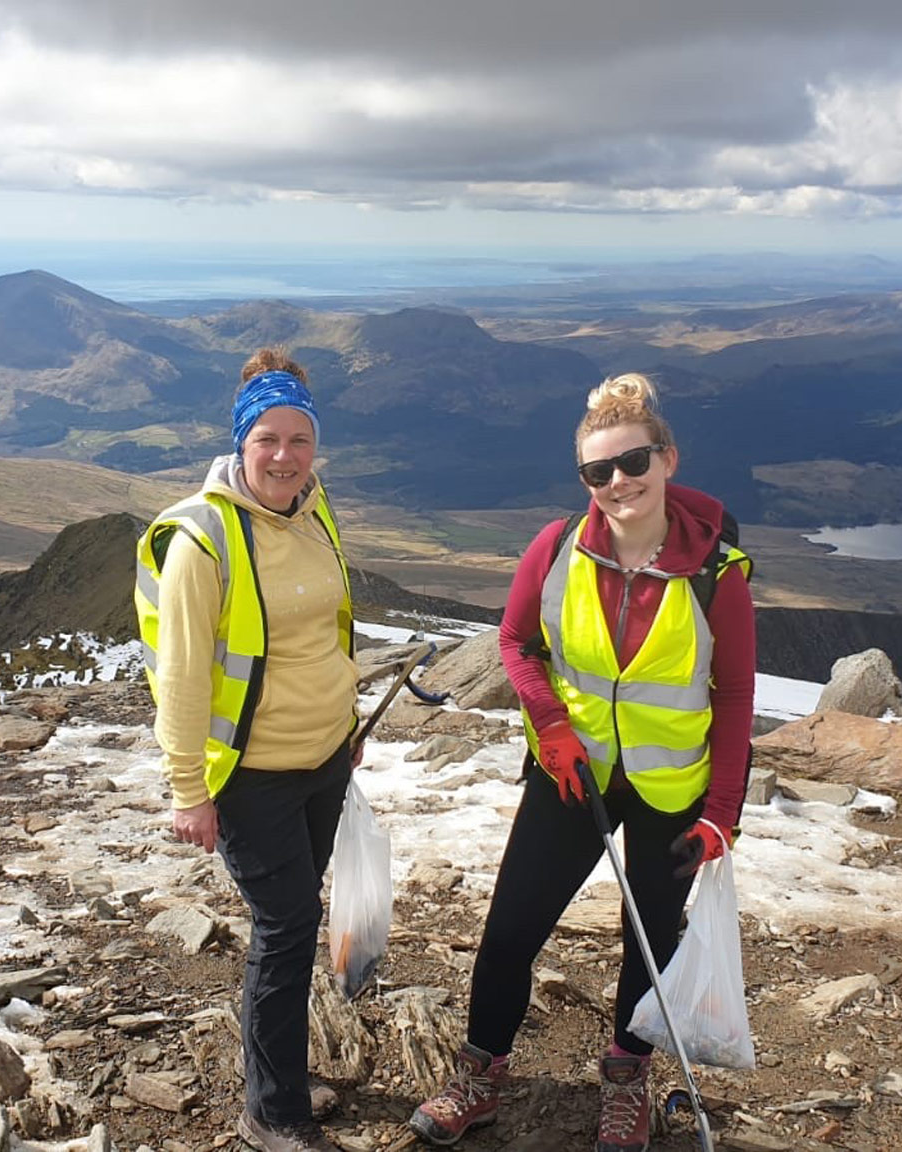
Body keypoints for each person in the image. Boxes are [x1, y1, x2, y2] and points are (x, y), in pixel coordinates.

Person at [408, 373, 756, 1152]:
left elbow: (734, 696)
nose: (617, 483)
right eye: (598, 472)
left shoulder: (716, 574)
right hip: (572, 775)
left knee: (649, 938)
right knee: (509, 933)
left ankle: (626, 1081)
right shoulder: (557, 548)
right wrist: (551, 724)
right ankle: (481, 1076)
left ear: (667, 458)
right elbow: (515, 644)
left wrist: (721, 814)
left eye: (633, 463)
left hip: (671, 787)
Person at [135, 348, 360, 1152]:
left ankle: (283, 1079)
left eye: (300, 440)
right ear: (240, 442)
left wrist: (347, 725)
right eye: (268, 439)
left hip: (324, 758)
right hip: (253, 776)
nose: (284, 456)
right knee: (288, 926)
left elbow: (330, 628)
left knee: (296, 924)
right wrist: (189, 790)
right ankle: (271, 1112)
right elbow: (184, 675)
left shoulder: (313, 505)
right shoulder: (207, 541)